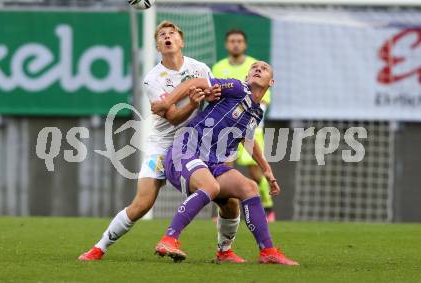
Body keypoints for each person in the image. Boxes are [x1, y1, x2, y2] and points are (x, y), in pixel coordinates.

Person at [78, 21, 245, 263]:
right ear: (158, 46)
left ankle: (224, 252)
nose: (167, 37)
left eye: (172, 34)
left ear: (181, 42)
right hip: (163, 144)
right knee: (142, 204)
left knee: (228, 201)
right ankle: (99, 248)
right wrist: (192, 103)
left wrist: (211, 96)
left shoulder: (199, 68)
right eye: (162, 35)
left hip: (195, 146)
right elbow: (174, 116)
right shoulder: (152, 79)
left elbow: (214, 97)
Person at [151, 61, 298, 265]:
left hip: (212, 162)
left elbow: (247, 140)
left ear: (271, 82)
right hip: (185, 151)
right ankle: (168, 239)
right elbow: (197, 82)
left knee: (247, 189)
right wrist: (168, 103)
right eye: (254, 67)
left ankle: (260, 252)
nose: (257, 69)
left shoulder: (256, 112)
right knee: (211, 186)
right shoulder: (237, 88)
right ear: (246, 77)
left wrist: (267, 171)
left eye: (264, 69)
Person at [212, 29, 274, 222]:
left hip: (249, 125)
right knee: (225, 168)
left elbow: (263, 99)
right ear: (226, 45)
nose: (236, 44)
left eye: (239, 41)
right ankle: (224, 210)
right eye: (232, 41)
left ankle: (267, 204)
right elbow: (216, 95)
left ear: (245, 44)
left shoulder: (255, 66)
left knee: (255, 170)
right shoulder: (219, 67)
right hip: (226, 127)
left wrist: (252, 123)